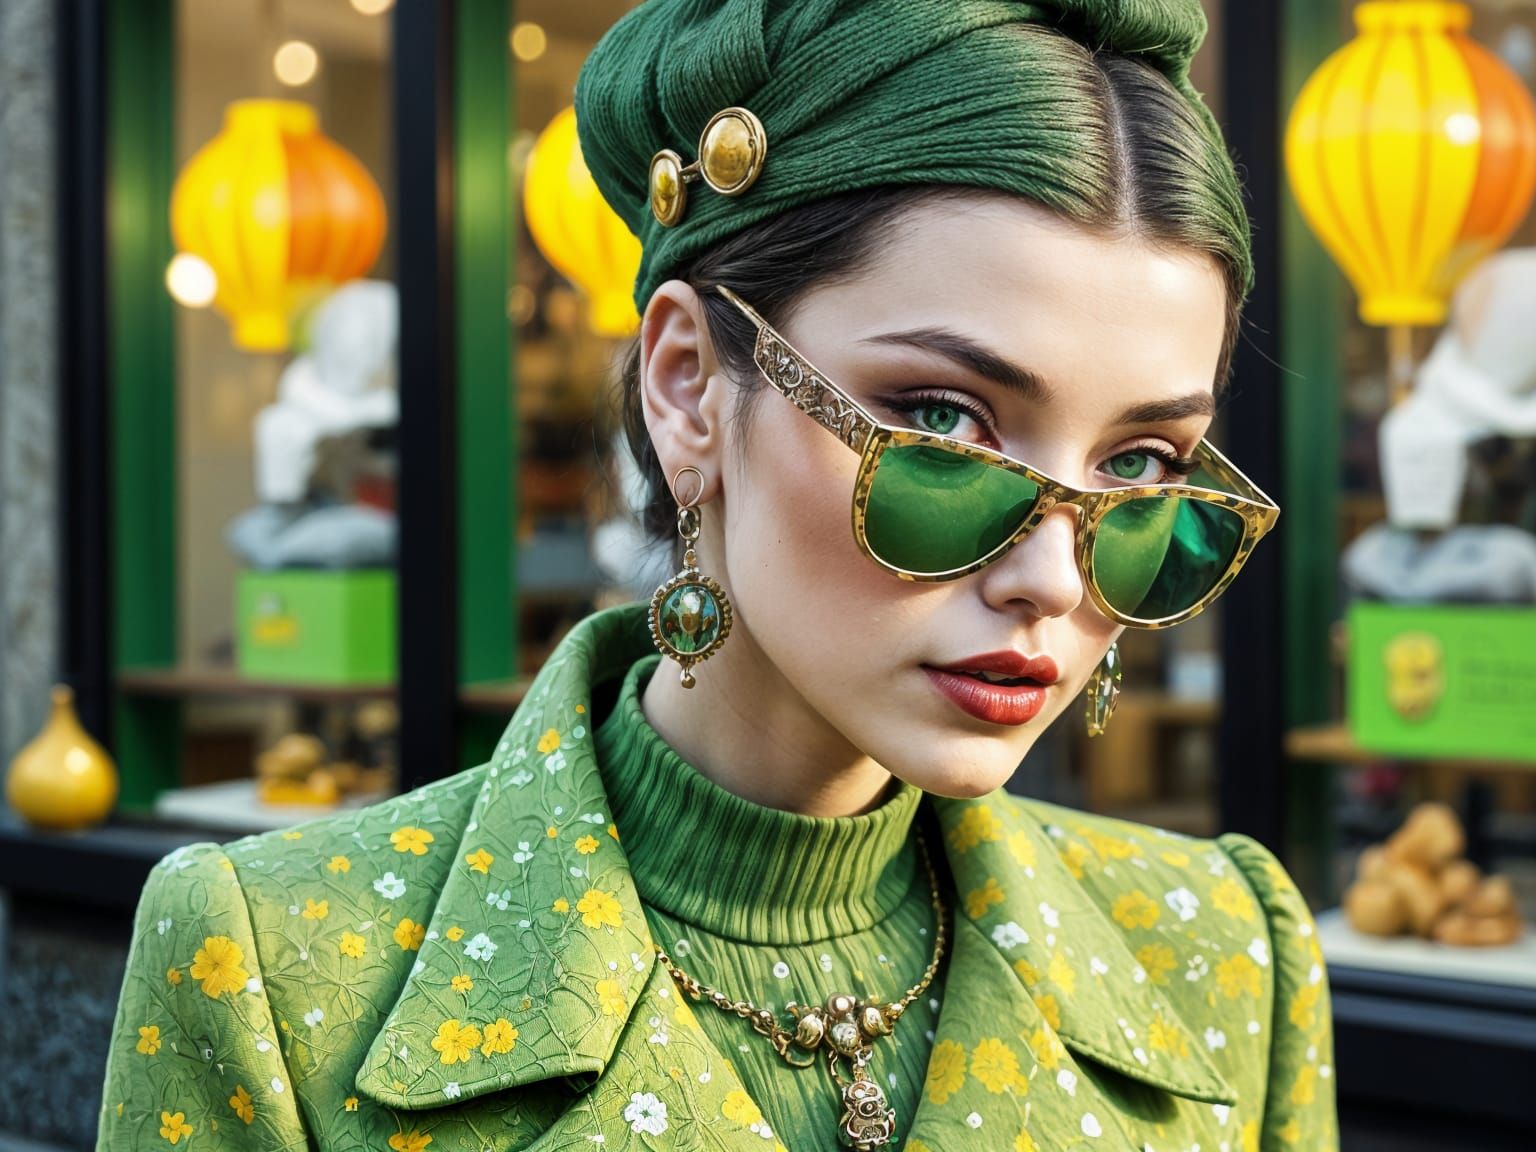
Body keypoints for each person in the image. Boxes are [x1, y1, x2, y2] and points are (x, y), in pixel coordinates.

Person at [96, 2, 1338, 1149]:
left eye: (1139, 463)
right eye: (947, 426)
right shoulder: (285, 971)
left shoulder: (1222, 955)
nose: (1054, 577)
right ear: (688, 385)